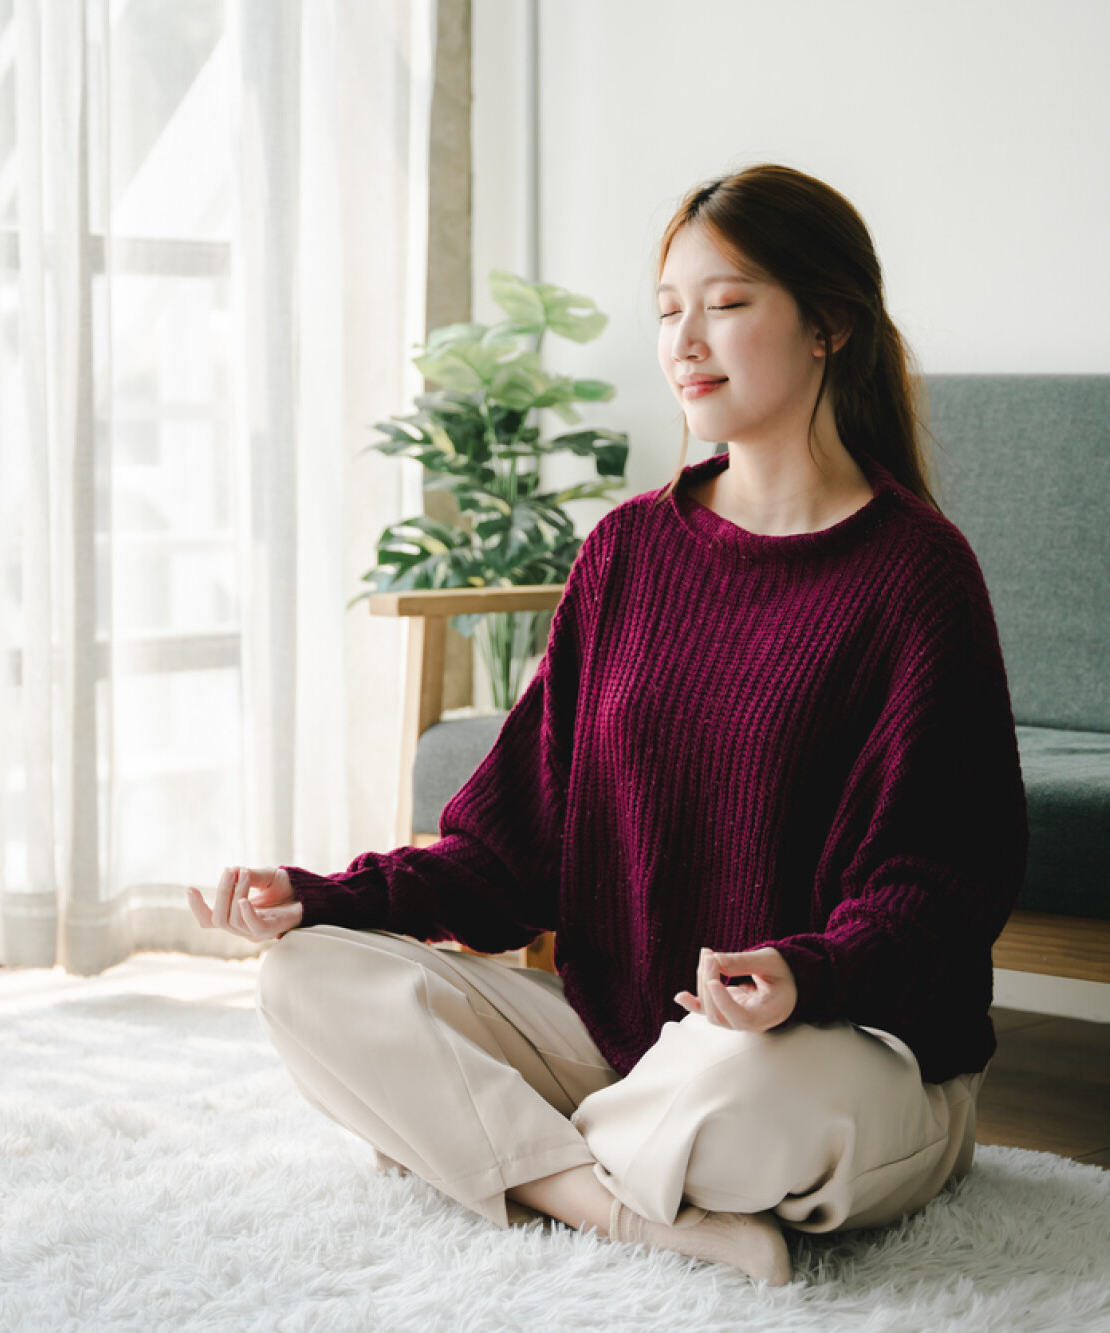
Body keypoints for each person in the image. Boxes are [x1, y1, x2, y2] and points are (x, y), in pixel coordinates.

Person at [187, 163, 1028, 1288]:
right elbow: (509, 851)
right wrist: (322, 899)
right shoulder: (628, 551)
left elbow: (942, 885)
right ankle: (618, 1207)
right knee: (307, 981)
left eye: (724, 305)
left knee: (743, 1105)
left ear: (828, 324)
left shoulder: (916, 575)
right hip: (618, 1039)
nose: (684, 340)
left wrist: (802, 974)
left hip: (829, 1051)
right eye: (667, 310)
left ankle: (508, 1151)